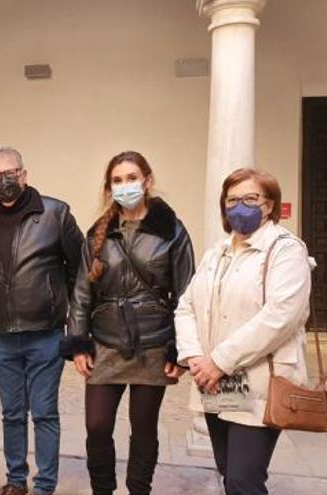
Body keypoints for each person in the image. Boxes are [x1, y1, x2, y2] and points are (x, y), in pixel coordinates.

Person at [61, 151, 195, 495]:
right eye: (117, 180)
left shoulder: (172, 232)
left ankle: (139, 490)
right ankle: (102, 490)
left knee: (144, 428)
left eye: (131, 178)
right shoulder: (98, 234)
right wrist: (78, 342)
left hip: (152, 342)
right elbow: (81, 291)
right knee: (97, 425)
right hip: (106, 341)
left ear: (147, 181)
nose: (125, 185)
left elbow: (187, 292)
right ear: (110, 187)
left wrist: (180, 350)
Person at [175, 168, 312, 495]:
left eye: (250, 198)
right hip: (218, 379)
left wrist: (219, 360)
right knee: (229, 473)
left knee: (244, 478)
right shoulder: (217, 253)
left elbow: (280, 316)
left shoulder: (286, 249)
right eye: (232, 200)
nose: (240, 206)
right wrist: (194, 355)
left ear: (269, 204)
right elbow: (186, 306)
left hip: (259, 378)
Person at [0, 146, 83, 495]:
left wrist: (72, 324)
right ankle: (16, 481)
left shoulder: (55, 213)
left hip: (45, 333)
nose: (5, 181)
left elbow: (78, 270)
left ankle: (45, 485)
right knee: (11, 413)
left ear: (24, 174)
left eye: (11, 174)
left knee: (44, 412)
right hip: (3, 335)